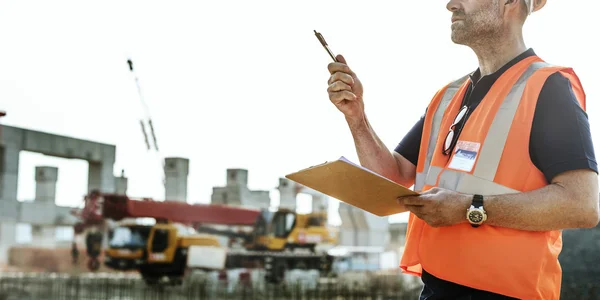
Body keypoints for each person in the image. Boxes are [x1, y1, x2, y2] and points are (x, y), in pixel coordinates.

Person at [325, 0, 599, 299]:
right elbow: (393, 177)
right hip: (437, 288)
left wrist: (470, 207)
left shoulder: (548, 87)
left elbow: (582, 205)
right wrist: (357, 117)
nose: (450, 4)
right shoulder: (449, 96)